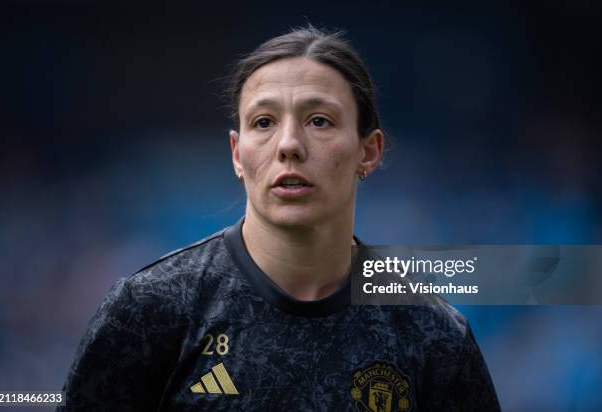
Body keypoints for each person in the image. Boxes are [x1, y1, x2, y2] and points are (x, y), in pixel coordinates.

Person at [59, 25, 501, 411]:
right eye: (264, 122)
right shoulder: (149, 312)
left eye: (320, 121)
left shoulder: (433, 335)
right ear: (237, 153)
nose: (289, 144)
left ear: (369, 151)